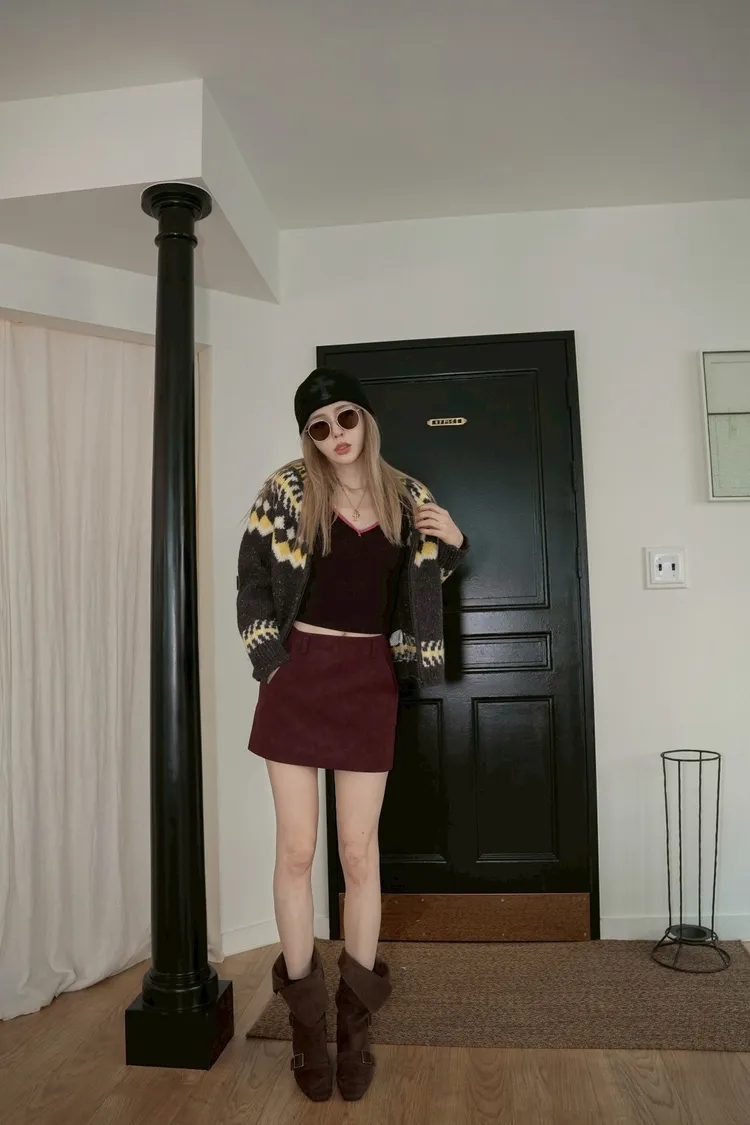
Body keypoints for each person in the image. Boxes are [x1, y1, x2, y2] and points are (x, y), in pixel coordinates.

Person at [236, 367, 468, 1102]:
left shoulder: (408, 495)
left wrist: (453, 544)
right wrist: (271, 662)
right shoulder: (287, 491)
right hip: (298, 676)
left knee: (359, 853)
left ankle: (354, 1024)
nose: (336, 434)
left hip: (368, 678)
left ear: (365, 418)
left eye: (345, 418)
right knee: (297, 850)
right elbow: (251, 579)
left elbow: (418, 584)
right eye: (319, 426)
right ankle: (307, 1026)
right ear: (307, 436)